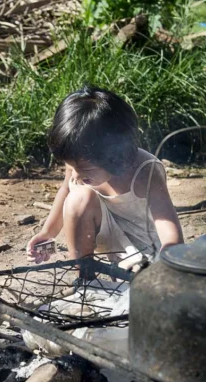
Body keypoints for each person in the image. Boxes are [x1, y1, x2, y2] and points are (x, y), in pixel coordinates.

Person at [27, 86, 183, 270]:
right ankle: (85, 276)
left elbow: (167, 224)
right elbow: (66, 191)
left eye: (84, 168)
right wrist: (48, 232)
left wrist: (171, 257)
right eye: (72, 166)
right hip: (106, 240)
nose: (76, 175)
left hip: (144, 248)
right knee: (78, 198)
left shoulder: (144, 173)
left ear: (115, 157)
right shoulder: (79, 159)